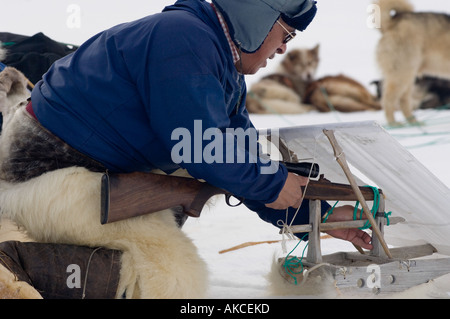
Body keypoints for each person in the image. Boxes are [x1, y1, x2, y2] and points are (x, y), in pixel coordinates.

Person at [1, 0, 372, 250]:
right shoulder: (183, 39)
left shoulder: (217, 62)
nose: (282, 50)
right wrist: (275, 183)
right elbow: (199, 146)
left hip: (86, 167)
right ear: (257, 18)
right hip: (46, 166)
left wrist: (314, 216)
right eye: (285, 35)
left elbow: (238, 153)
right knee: (166, 269)